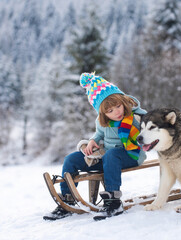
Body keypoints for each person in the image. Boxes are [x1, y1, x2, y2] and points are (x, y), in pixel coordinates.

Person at [44, 72, 147, 221]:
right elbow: (99, 135)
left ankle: (113, 202)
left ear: (123, 101)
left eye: (118, 106)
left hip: (131, 154)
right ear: (103, 113)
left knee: (112, 155)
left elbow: (153, 129)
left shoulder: (136, 116)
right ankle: (67, 200)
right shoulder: (101, 121)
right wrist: (92, 141)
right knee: (71, 159)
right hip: (108, 158)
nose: (117, 112)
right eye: (110, 111)